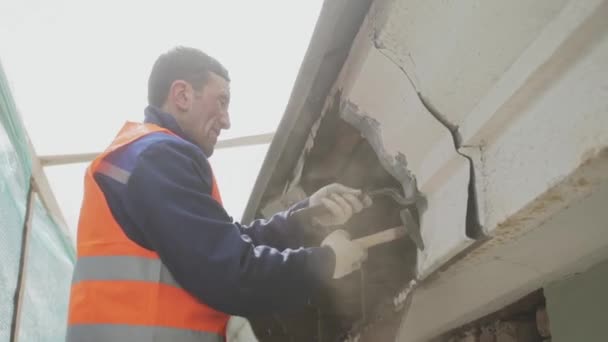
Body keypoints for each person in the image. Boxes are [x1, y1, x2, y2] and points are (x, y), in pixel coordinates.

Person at [66, 46, 371, 342]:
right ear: (182, 95)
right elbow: (232, 273)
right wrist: (328, 262)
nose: (227, 121)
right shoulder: (157, 158)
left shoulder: (144, 158)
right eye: (221, 102)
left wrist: (305, 218)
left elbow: (224, 244)